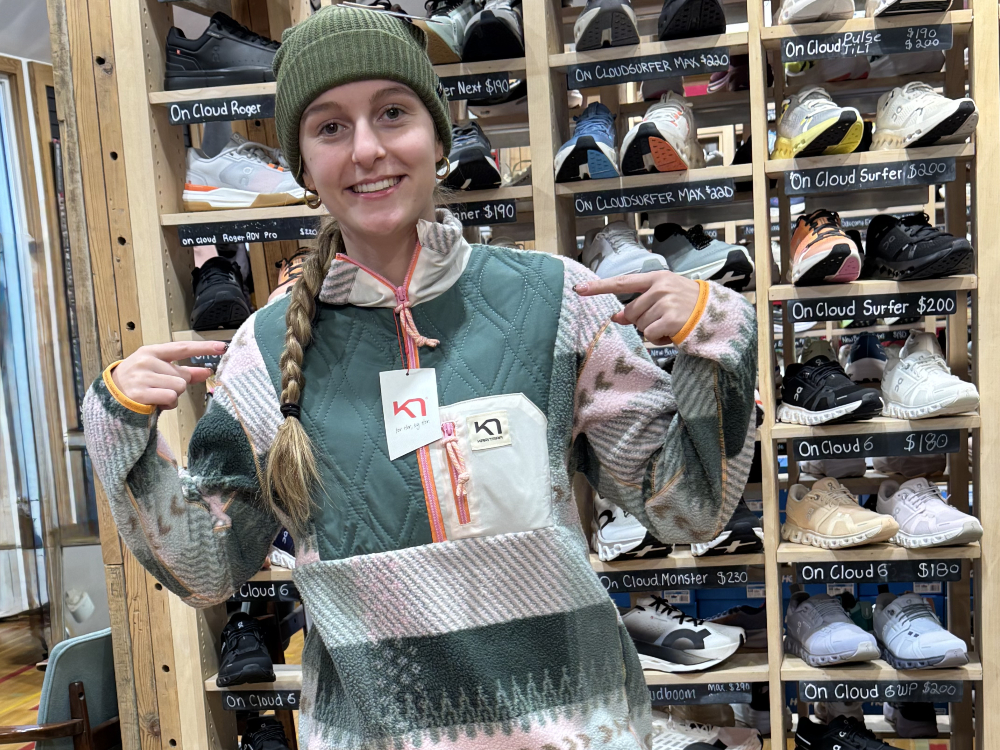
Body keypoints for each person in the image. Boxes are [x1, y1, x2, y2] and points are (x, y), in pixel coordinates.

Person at [82, 6, 757, 749]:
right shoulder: (262, 354)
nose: (367, 149)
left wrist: (716, 334)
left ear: (439, 136)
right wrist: (119, 429)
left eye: (393, 113)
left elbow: (687, 511)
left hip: (579, 730)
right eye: (330, 127)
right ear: (302, 165)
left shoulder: (559, 301)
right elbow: (208, 569)